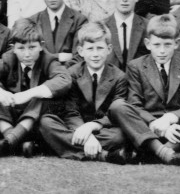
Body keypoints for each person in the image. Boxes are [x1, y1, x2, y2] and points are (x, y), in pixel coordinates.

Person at [107, 13, 180, 166]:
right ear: (147, 43)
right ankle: (163, 152)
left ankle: (164, 150)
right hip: (146, 128)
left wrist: (170, 120)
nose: (162, 51)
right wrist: (155, 124)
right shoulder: (136, 66)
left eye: (167, 45)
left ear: (176, 43)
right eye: (156, 45)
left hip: (178, 131)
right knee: (118, 106)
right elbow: (135, 106)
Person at [0, 18, 72, 157]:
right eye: (21, 48)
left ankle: (9, 142)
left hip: (35, 121)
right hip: (12, 116)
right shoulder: (9, 58)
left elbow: (64, 79)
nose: (27, 54)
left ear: (41, 46)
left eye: (32, 47)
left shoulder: (48, 60)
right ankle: (13, 139)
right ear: (14, 48)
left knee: (43, 93)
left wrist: (30, 93)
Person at [38, 20, 129, 162]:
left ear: (109, 49)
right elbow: (70, 111)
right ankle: (103, 155)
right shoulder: (72, 73)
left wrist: (92, 127)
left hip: (102, 128)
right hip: (76, 126)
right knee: (46, 122)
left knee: (120, 135)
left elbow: (115, 114)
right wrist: (88, 137)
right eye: (90, 49)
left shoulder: (119, 77)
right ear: (81, 51)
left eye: (100, 48)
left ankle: (67, 147)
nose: (95, 54)